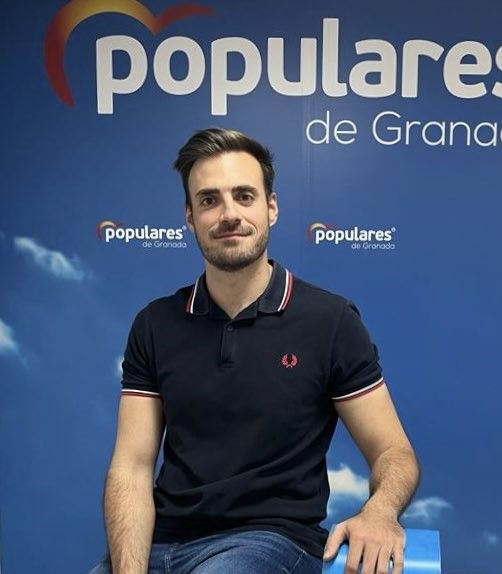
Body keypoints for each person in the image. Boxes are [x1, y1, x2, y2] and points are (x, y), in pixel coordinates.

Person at [89, 128, 419, 574]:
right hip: (161, 543)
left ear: (271, 207)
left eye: (244, 196)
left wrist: (379, 512)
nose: (229, 214)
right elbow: (131, 466)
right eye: (209, 200)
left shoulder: (330, 321)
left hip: (269, 542)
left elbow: (393, 452)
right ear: (190, 217)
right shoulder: (155, 323)